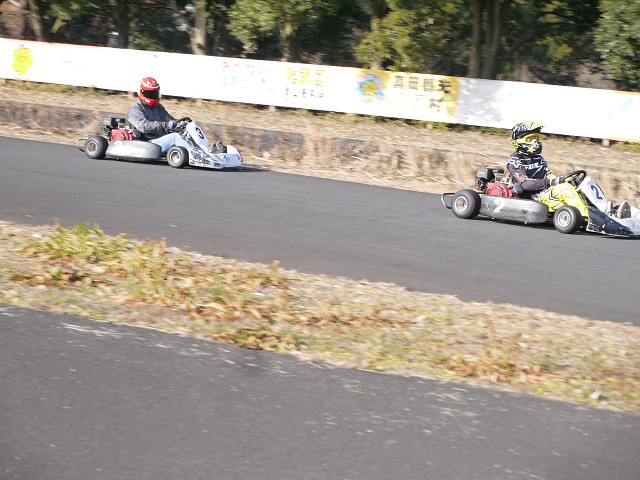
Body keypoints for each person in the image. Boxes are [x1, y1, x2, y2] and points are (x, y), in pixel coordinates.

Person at [506, 121, 631, 219]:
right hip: (535, 197)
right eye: (530, 139)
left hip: (546, 192)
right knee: (564, 189)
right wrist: (552, 183)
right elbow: (525, 184)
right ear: (519, 141)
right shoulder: (516, 161)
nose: (535, 142)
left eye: (536, 138)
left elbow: (548, 175)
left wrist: (563, 179)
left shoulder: (538, 158)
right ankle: (593, 216)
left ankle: (607, 210)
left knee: (582, 183)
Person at [127, 77, 225, 154]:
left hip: (160, 139)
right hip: (148, 143)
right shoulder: (135, 109)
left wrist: (179, 123)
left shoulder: (158, 107)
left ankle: (207, 150)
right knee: (174, 137)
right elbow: (143, 126)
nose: (153, 96)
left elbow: (169, 120)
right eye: (150, 93)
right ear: (142, 92)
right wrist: (164, 125)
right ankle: (200, 154)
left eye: (155, 93)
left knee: (186, 134)